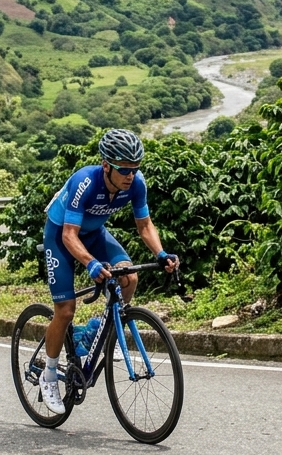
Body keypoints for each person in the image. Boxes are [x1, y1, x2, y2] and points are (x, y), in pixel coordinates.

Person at [37, 129, 179, 415]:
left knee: (129, 277)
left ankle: (96, 333)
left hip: (93, 233)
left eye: (135, 169)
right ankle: (49, 375)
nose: (130, 176)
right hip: (61, 236)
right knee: (65, 310)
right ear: (106, 166)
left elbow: (145, 226)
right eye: (124, 170)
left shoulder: (136, 184)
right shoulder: (84, 182)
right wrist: (91, 263)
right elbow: (68, 235)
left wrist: (161, 254)